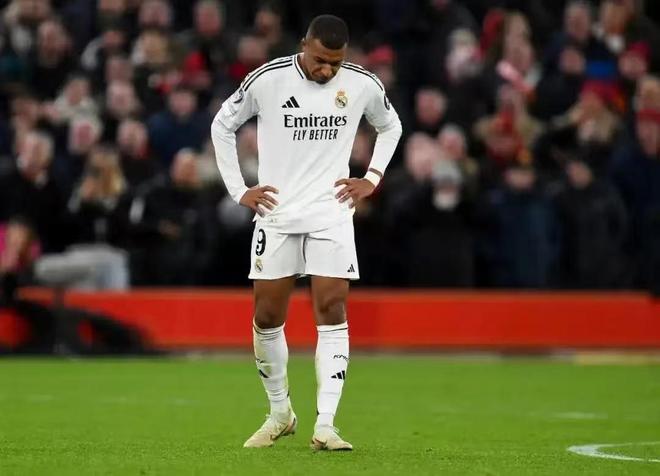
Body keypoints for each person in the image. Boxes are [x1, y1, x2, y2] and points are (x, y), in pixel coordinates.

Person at [211, 14, 402, 450]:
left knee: (332, 308)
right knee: (267, 317)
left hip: (331, 212)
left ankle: (326, 424)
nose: (327, 70)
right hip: (277, 213)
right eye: (319, 60)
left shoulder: (362, 83)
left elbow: (391, 125)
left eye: (335, 62)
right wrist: (239, 189)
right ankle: (280, 413)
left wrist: (371, 178)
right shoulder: (268, 79)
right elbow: (222, 124)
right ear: (304, 45)